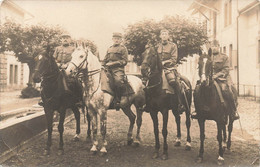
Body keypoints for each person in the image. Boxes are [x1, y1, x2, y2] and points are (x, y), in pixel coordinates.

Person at [191, 40, 239, 120]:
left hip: (222, 78)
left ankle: (233, 111)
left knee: (227, 91)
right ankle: (197, 110)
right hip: (208, 78)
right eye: (212, 46)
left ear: (218, 47)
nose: (214, 48)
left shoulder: (224, 57)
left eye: (215, 46)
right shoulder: (208, 57)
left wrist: (216, 75)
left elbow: (226, 69)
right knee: (197, 90)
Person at [157, 29, 185, 114]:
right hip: (158, 69)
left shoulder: (173, 46)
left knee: (173, 82)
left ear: (168, 36)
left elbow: (174, 59)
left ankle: (180, 103)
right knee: (147, 82)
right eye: (162, 34)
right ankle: (147, 103)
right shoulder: (157, 46)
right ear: (160, 36)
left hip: (169, 68)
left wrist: (164, 63)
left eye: (166, 34)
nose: (164, 35)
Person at [102, 32, 129, 110]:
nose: (116, 40)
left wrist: (113, 64)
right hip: (108, 69)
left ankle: (118, 100)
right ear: (112, 39)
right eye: (115, 38)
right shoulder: (109, 48)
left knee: (118, 81)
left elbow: (124, 61)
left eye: (118, 39)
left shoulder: (123, 48)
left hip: (118, 70)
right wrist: (102, 65)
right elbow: (105, 59)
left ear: (121, 40)